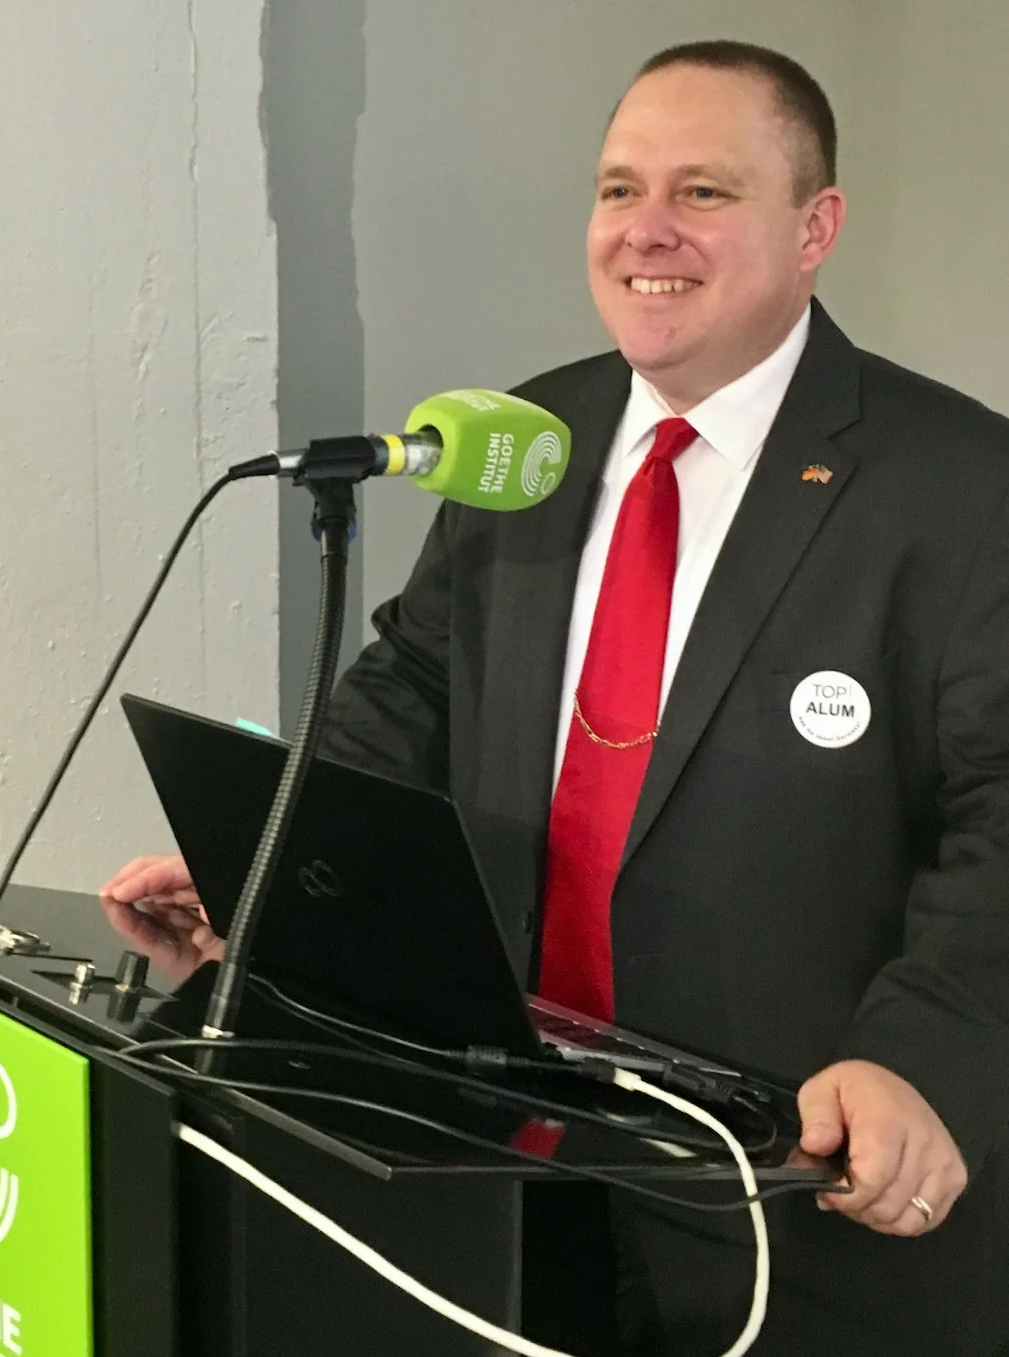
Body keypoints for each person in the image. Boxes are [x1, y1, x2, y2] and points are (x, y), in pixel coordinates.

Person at [103, 40, 1009, 1356]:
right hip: (510, 1160)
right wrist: (269, 874)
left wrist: (921, 1063)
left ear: (815, 229)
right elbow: (413, 692)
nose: (648, 229)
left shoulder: (962, 488)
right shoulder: (527, 441)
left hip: (796, 1192)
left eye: (704, 192)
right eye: (619, 188)